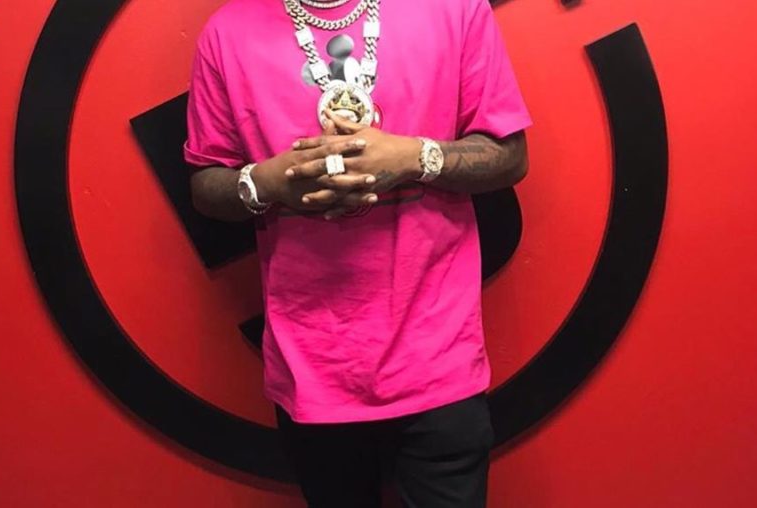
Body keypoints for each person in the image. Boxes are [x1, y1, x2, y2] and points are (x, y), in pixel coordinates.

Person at [183, 0, 532, 505]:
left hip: (437, 359)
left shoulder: (454, 8)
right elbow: (205, 185)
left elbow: (510, 155)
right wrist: (270, 183)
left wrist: (413, 157)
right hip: (312, 366)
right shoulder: (227, 33)